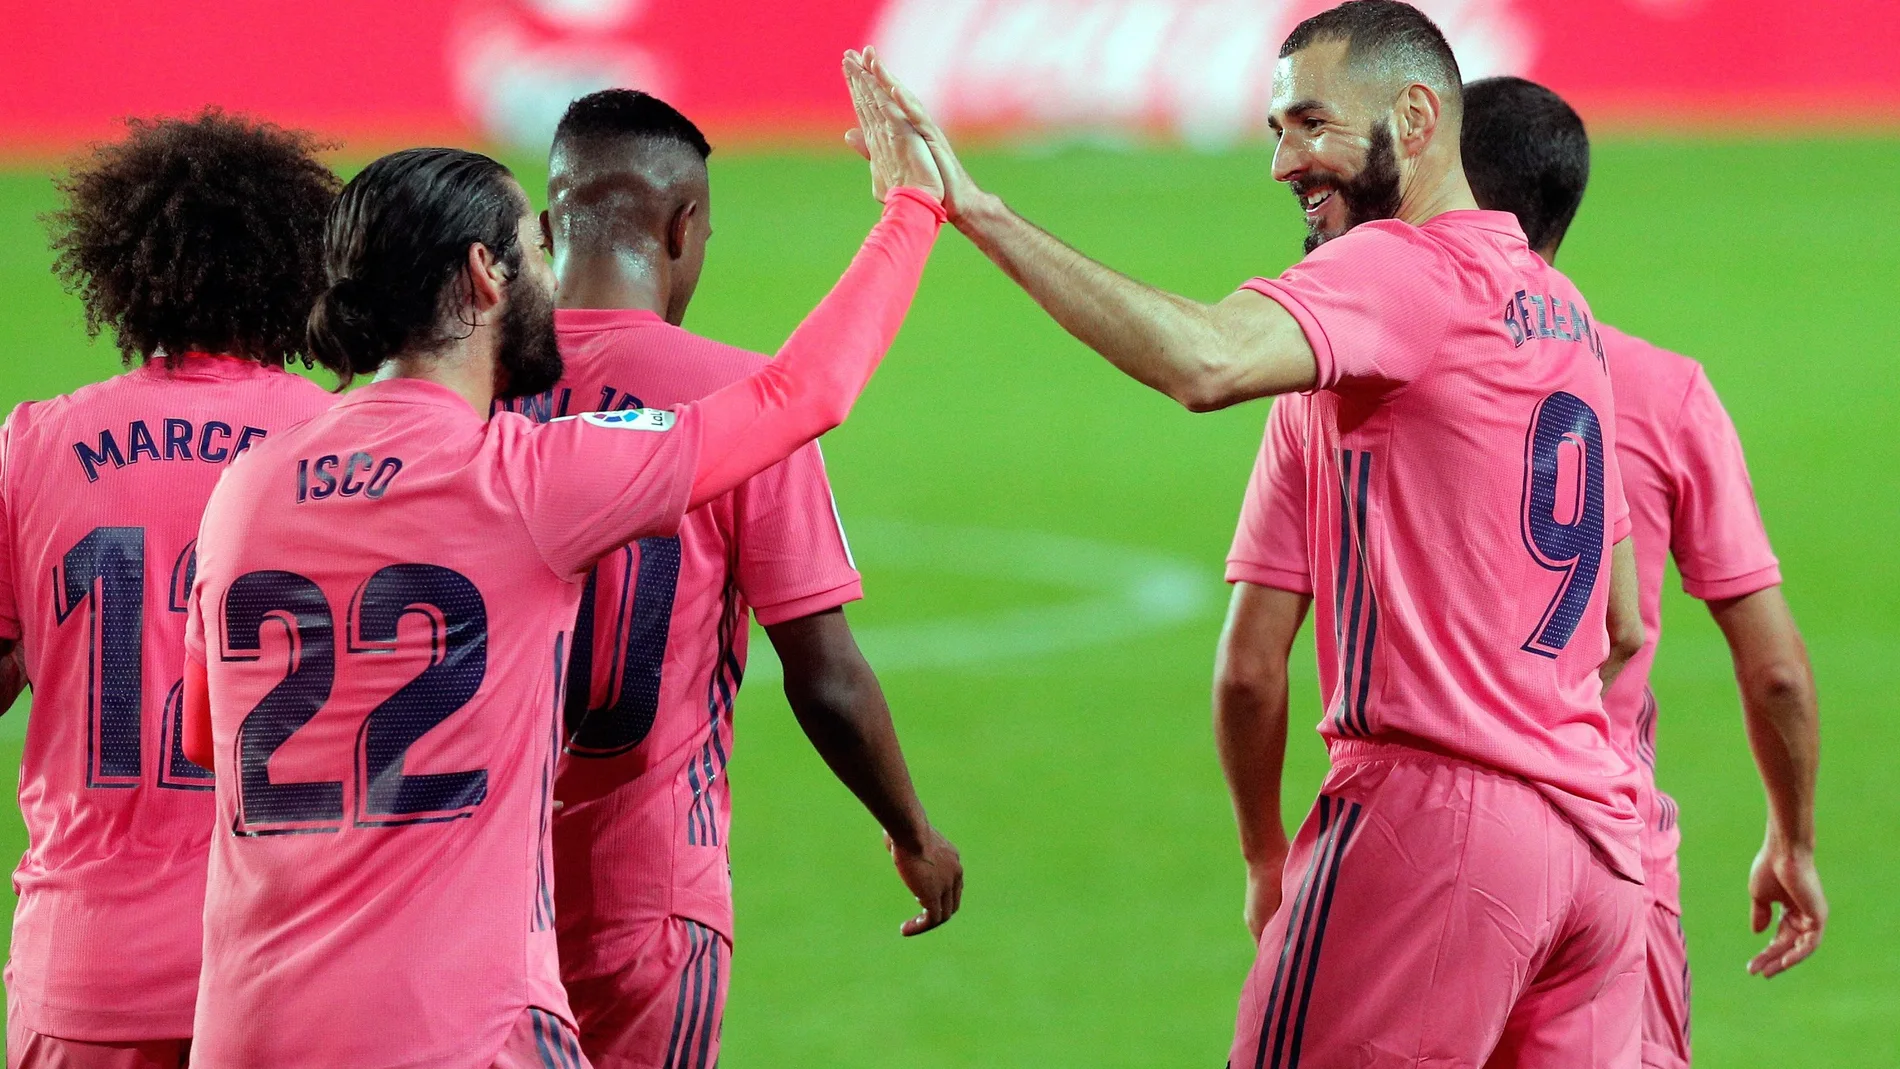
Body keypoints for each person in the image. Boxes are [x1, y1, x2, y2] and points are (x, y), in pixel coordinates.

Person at [849, 1, 1651, 1063]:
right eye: (1278, 129)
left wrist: (975, 210)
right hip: (1595, 856)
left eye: (1309, 124)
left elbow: (1206, 361)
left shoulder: (1400, 269)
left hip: (1436, 824)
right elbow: (1624, 619)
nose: (1281, 161)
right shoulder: (1564, 313)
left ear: (1415, 118)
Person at [177, 56, 945, 1069]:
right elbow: (800, 398)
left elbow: (205, 740)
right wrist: (916, 206)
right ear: (486, 277)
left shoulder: (249, 483)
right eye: (534, 250)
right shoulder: (518, 478)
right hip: (455, 1016)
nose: (555, 273)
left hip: (249, 1020)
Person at [501, 88, 962, 1069]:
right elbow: (824, 672)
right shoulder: (740, 403)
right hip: (647, 900)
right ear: (683, 227)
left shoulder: (466, 394)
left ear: (546, 228)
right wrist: (912, 832)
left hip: (475, 900)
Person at [1459, 75, 1825, 1067]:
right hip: (1609, 854)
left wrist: (1264, 852)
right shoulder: (1662, 390)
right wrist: (1789, 837)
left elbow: (1254, 656)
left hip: (1437, 848)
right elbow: (1776, 665)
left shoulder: (1379, 378)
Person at [0, 110, 339, 1068]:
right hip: (294, 964)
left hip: (87, 965)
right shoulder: (343, 446)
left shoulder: (33, 446)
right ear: (295, 268)